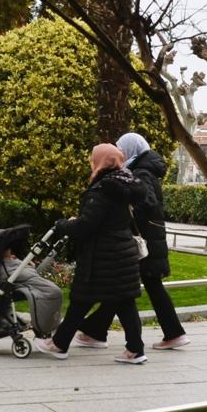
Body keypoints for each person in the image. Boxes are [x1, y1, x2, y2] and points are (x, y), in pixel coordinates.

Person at [74, 132, 190, 351]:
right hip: (148, 240)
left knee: (122, 289)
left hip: (141, 241)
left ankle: (95, 331)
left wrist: (124, 203)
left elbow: (145, 203)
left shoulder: (142, 172)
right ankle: (173, 332)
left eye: (122, 149)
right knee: (137, 288)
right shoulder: (144, 169)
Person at [34, 144, 148, 364]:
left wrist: (63, 225)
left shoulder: (103, 188)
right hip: (122, 253)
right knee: (125, 302)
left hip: (102, 256)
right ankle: (135, 350)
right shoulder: (124, 183)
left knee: (81, 300)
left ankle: (59, 344)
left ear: (101, 161)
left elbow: (87, 226)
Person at [1, 247, 62, 337]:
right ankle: (42, 326)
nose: (9, 250)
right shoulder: (2, 265)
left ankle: (46, 325)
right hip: (22, 282)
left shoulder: (13, 260)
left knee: (53, 291)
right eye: (7, 249)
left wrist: (21, 262)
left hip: (30, 280)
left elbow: (30, 270)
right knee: (51, 292)